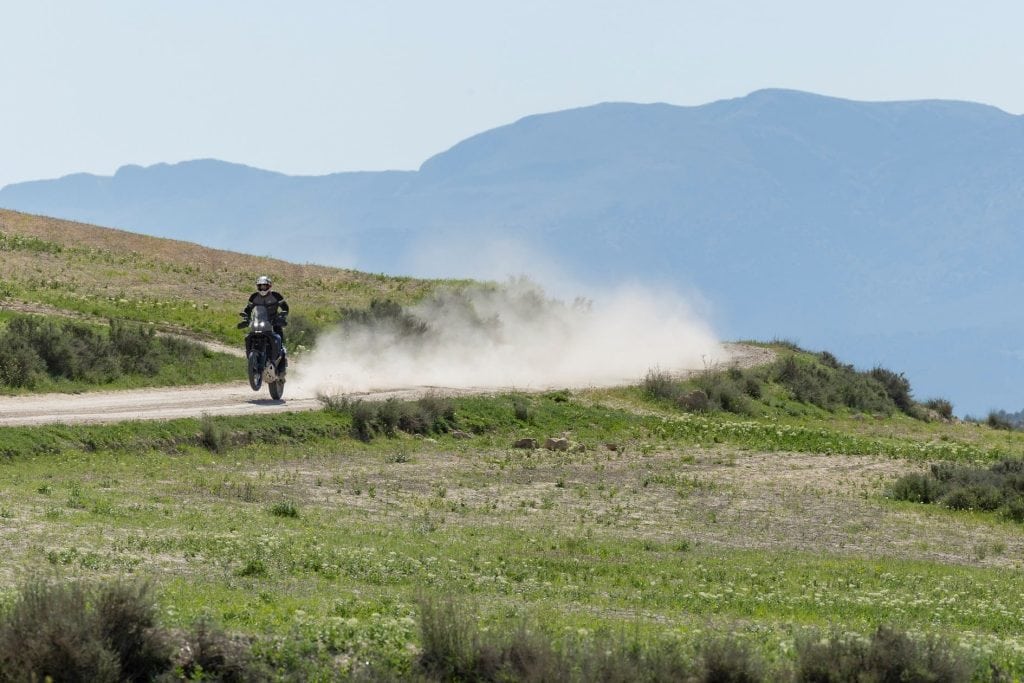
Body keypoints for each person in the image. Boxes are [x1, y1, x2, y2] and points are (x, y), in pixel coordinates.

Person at [239, 275, 289, 371]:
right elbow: (248, 309)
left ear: (269, 286)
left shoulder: (276, 296)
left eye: (264, 286)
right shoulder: (254, 297)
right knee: (248, 337)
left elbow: (285, 307)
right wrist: (246, 317)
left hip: (274, 322)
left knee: (279, 340)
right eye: (260, 286)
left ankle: (281, 366)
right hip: (259, 321)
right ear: (257, 286)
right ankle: (253, 360)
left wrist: (283, 315)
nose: (262, 288)